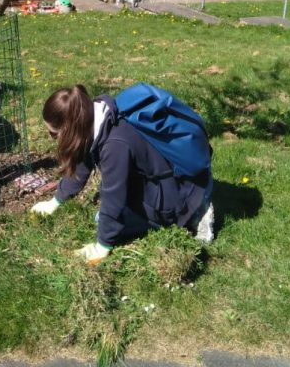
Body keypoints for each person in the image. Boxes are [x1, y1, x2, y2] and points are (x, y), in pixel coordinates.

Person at [31, 84, 214, 263]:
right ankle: (192, 205)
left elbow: (113, 196)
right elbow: (82, 163)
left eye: (53, 134)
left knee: (106, 220)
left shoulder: (115, 145)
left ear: (71, 129)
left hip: (178, 193)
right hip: (170, 181)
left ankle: (196, 213)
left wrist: (102, 246)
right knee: (106, 219)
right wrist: (54, 202)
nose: (52, 138)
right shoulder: (96, 115)